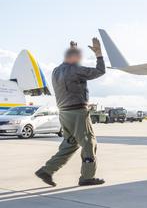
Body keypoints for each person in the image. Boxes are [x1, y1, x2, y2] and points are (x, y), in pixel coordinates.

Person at [35, 38, 106, 187]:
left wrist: (73, 49)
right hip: (77, 113)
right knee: (88, 143)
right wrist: (99, 54)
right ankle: (87, 177)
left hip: (64, 113)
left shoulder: (56, 71)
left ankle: (47, 170)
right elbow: (100, 71)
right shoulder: (76, 70)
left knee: (70, 144)